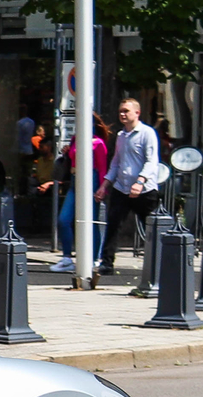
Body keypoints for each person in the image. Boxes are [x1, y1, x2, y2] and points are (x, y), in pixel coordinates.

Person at [41, 120, 111, 273]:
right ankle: (67, 258)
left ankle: (94, 259)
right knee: (64, 219)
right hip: (75, 180)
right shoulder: (75, 140)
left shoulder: (98, 143)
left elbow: (102, 168)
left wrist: (102, 189)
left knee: (91, 221)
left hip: (91, 180)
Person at [102, 98, 161, 270]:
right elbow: (116, 162)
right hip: (122, 187)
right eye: (121, 110)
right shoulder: (121, 136)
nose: (122, 114)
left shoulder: (147, 133)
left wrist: (140, 181)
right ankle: (107, 262)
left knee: (151, 227)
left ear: (137, 113)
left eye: (126, 111)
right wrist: (105, 185)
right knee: (113, 224)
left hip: (144, 189)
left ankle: (159, 261)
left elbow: (152, 161)